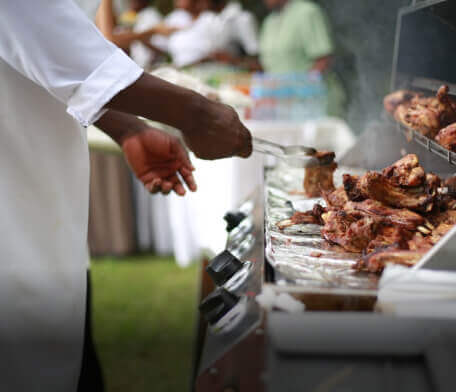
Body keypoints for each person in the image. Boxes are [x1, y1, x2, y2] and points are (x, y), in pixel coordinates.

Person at [0, 2, 251, 392]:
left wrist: (126, 127)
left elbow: (35, 58)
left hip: (40, 195)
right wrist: (196, 113)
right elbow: (48, 34)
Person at [260, 0, 346, 117]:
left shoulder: (307, 12)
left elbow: (323, 59)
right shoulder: (269, 21)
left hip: (314, 105)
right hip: (282, 106)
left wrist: (300, 89)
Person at [208, 0, 260, 69]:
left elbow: (255, 56)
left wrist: (232, 60)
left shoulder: (242, 18)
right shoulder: (211, 18)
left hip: (241, 72)